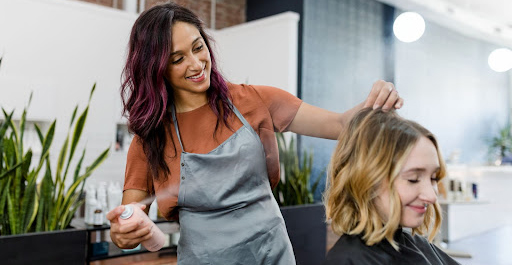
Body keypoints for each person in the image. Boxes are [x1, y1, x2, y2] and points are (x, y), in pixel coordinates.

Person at [105, 2, 403, 264]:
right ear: (156, 69)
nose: (196, 64)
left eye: (198, 47)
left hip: (271, 254)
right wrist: (125, 232)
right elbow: (129, 218)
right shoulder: (151, 137)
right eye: (177, 59)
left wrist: (376, 102)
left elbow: (340, 125)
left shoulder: (256, 100)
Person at [322, 108, 460, 265]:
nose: (432, 196)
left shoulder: (419, 246)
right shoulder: (348, 260)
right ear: (368, 179)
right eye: (413, 179)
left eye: (434, 178)